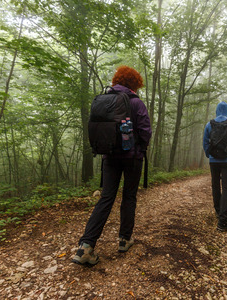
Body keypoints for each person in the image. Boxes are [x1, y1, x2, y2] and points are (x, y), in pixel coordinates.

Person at [72, 66, 152, 266]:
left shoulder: (105, 101)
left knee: (106, 197)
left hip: (109, 156)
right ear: (135, 83)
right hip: (132, 157)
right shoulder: (136, 103)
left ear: (117, 81)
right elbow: (145, 130)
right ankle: (125, 240)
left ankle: (86, 246)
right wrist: (141, 147)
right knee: (129, 196)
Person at [203, 101, 227, 232]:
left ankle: (218, 211)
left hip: (213, 161)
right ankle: (223, 222)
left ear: (217, 110)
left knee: (215, 185)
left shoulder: (209, 124)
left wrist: (209, 155)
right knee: (226, 188)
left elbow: (205, 142)